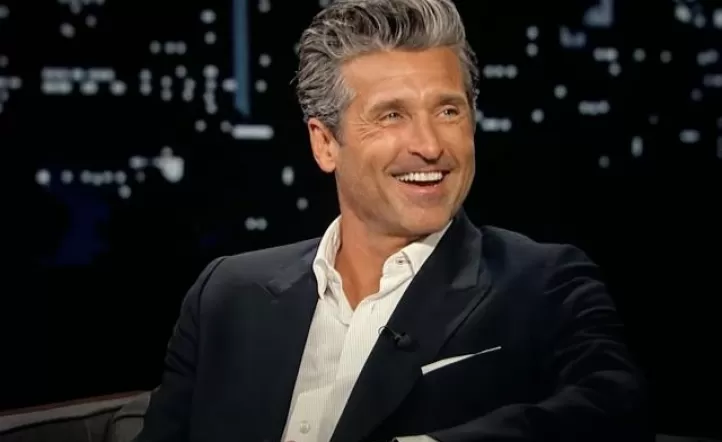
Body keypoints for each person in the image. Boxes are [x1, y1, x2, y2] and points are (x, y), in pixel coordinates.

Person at [135, 0, 648, 441]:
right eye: (391, 115)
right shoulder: (225, 295)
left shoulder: (543, 284)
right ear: (325, 143)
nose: (429, 145)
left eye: (448, 111)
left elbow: (617, 410)